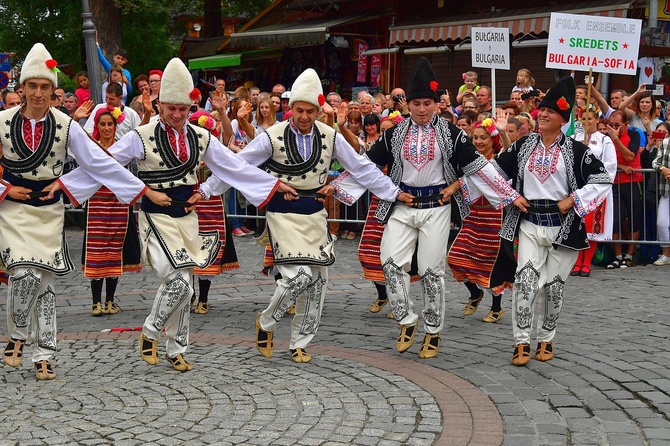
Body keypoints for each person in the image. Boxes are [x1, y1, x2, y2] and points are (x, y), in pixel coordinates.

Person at [59, 57, 295, 372]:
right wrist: (137, 191)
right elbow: (105, 163)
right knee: (178, 282)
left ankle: (176, 348)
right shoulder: (139, 135)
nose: (177, 114)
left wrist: (210, 190)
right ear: (159, 106)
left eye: (183, 108)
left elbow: (232, 165)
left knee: (184, 281)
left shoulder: (200, 136)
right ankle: (151, 332)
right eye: (171, 107)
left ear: (190, 107)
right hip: (155, 217)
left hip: (187, 217)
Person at [335, 57, 525, 359]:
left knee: (431, 271)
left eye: (427, 103)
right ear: (407, 104)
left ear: (436, 104)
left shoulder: (452, 134)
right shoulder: (393, 133)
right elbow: (367, 166)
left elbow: (477, 166)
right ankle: (407, 319)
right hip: (402, 205)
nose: (422, 109)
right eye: (416, 103)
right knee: (390, 264)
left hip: (436, 207)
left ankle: (433, 331)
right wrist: (335, 188)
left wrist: (508, 194)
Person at [230, 68, 412, 364]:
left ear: (317, 110)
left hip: (315, 213)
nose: (304, 116)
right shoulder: (271, 136)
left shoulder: (331, 136)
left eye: (310, 111)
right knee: (297, 277)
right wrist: (267, 185)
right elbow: (238, 166)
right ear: (290, 109)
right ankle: (266, 322)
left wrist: (393, 192)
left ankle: (300, 342)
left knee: (317, 282)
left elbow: (362, 168)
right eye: (299, 110)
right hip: (282, 213)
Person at [0, 43, 159, 380]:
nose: (39, 93)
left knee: (44, 284)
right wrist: (5, 188)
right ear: (22, 88)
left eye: (46, 87)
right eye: (33, 86)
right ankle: (16, 335)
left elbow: (99, 162)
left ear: (52, 89)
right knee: (23, 275)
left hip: (48, 210)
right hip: (13, 210)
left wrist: (67, 184)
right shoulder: (2, 121)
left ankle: (44, 353)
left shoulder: (66, 125)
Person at [478, 76, 611, 366]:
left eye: (551, 111)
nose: (544, 114)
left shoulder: (577, 150)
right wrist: (511, 195)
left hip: (563, 228)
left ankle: (546, 338)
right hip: (529, 223)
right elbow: (493, 172)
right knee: (525, 282)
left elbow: (602, 180)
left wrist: (573, 200)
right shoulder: (523, 146)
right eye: (543, 110)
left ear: (563, 119)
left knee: (553, 287)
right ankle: (521, 341)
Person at [448, 118, 515, 323]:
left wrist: (502, 132)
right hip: (474, 214)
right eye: (475, 137)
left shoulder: (499, 159)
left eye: (483, 137)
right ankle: (475, 293)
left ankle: (496, 307)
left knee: (492, 263)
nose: (478, 141)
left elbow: (509, 152)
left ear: (492, 139)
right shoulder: (468, 159)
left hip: (495, 216)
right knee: (456, 257)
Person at [83, 107, 142, 316]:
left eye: (110, 124)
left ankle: (109, 301)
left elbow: (141, 135)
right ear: (97, 126)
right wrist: (77, 117)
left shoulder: (122, 148)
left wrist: (146, 114)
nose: (107, 128)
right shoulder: (91, 146)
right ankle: (95, 302)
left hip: (117, 202)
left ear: (115, 126)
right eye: (103, 124)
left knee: (114, 249)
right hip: (97, 202)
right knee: (97, 250)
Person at [188, 111, 240, 314]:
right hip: (189, 205)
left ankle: (203, 298)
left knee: (208, 249)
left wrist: (224, 114)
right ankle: (189, 292)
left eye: (205, 130)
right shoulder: (183, 152)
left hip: (211, 208)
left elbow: (228, 138)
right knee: (188, 248)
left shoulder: (216, 154)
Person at [570, 110, 617, 277]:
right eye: (583, 119)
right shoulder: (575, 139)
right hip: (578, 189)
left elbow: (610, 165)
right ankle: (576, 262)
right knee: (577, 225)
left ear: (596, 120)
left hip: (596, 190)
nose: (586, 122)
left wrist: (597, 181)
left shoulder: (604, 141)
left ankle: (586, 262)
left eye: (589, 118)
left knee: (591, 227)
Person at [605, 110, 643, 268]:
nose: (613, 129)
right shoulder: (606, 138)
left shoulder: (633, 135)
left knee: (634, 218)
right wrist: (620, 166)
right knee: (616, 219)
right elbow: (603, 160)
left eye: (617, 126)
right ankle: (617, 255)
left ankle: (629, 255)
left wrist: (616, 139)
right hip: (614, 182)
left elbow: (630, 156)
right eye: (611, 125)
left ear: (625, 125)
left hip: (633, 181)